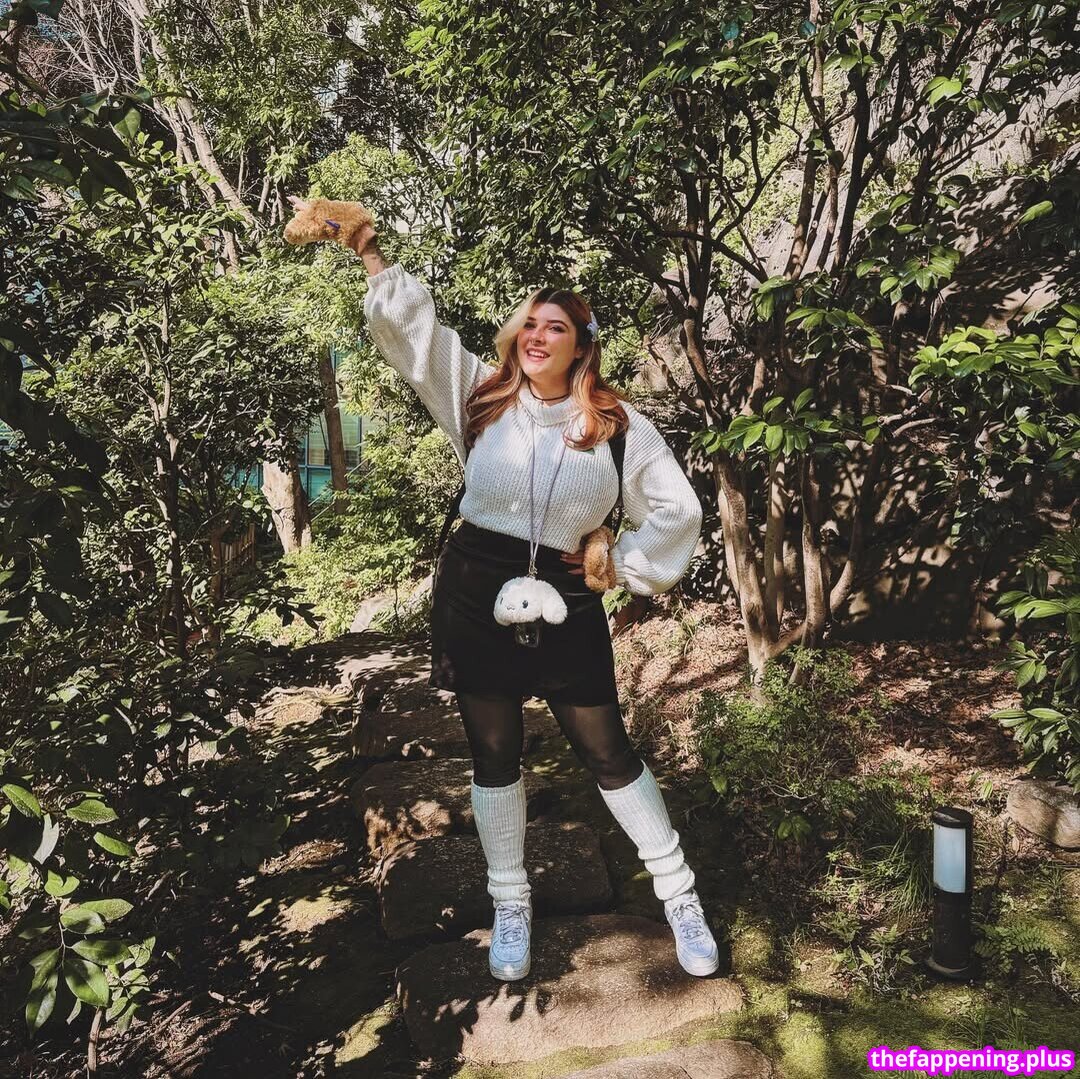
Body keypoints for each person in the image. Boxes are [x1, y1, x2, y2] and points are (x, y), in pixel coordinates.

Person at [285, 195, 720, 982]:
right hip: (475, 585)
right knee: (494, 753)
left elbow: (677, 508)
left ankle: (679, 894)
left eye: (555, 327)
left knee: (607, 749)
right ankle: (510, 902)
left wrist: (619, 561)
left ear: (581, 346)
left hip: (567, 592)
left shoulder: (617, 424)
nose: (537, 335)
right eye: (529, 324)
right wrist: (369, 251)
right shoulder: (483, 396)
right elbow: (418, 339)